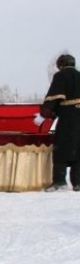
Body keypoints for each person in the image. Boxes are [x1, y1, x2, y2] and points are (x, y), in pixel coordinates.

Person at [38, 54, 80, 192]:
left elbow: (54, 97)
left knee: (62, 147)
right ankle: (77, 183)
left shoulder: (61, 76)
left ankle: (60, 181)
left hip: (68, 117)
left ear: (60, 65)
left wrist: (45, 113)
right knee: (78, 148)